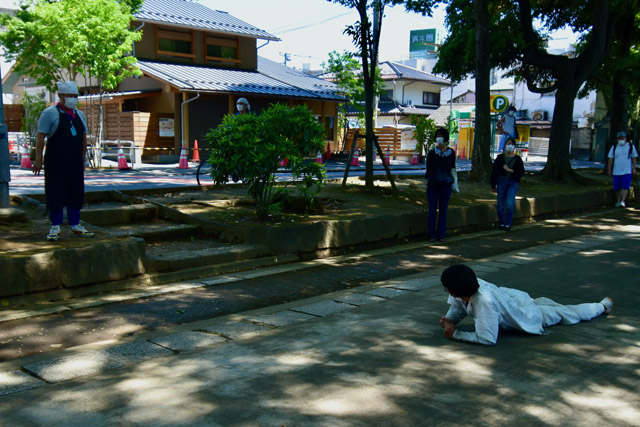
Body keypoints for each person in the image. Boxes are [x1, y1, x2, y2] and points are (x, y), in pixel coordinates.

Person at [438, 264, 613, 345]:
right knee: (550, 306)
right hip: (515, 301)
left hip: (527, 315)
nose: (448, 293)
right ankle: (599, 306)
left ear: (454, 291)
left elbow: (487, 338)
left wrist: (456, 334)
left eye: (448, 290)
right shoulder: (466, 285)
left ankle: (602, 306)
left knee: (566, 313)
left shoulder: (484, 302)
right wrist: (450, 320)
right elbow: (457, 306)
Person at [33, 81, 94, 241]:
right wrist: (38, 159)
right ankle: (55, 227)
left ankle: (75, 225)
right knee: (56, 192)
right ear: (60, 96)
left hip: (75, 162)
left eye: (75, 96)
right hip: (56, 161)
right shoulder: (50, 113)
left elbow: (83, 138)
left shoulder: (79, 115)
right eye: (69, 96)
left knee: (75, 192)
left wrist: (83, 158)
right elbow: (40, 137)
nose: (73, 99)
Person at [426, 127, 458, 242]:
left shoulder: (451, 153)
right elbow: (429, 168)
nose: (439, 138)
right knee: (432, 209)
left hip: (446, 183)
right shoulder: (431, 152)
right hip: (433, 184)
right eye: (437, 136)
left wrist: (455, 183)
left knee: (443, 210)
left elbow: (452, 167)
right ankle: (431, 234)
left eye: (441, 136)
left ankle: (441, 234)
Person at [490, 138, 525, 231]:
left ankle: (508, 223)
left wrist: (510, 170)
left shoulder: (517, 159)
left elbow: (521, 172)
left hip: (512, 182)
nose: (509, 146)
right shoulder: (500, 158)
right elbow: (494, 171)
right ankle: (502, 222)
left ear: (514, 146)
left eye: (511, 144)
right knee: (500, 204)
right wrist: (493, 185)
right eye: (507, 144)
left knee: (509, 203)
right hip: (501, 181)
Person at [607, 131, 637, 208]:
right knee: (617, 187)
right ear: (617, 139)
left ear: (626, 138)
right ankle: (618, 200)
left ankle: (623, 201)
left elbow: (634, 158)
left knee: (625, 186)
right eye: (619, 138)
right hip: (616, 171)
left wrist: (634, 168)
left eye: (622, 138)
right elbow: (610, 159)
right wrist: (609, 169)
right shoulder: (614, 147)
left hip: (627, 170)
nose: (621, 140)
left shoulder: (630, 146)